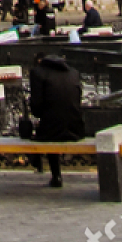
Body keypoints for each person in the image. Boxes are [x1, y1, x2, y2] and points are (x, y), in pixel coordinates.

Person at [28, 53, 86, 187]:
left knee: (47, 127)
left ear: (40, 62)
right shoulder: (74, 73)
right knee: (53, 123)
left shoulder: (38, 73)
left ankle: (55, 175)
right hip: (76, 130)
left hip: (51, 131)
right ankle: (54, 175)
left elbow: (36, 109)